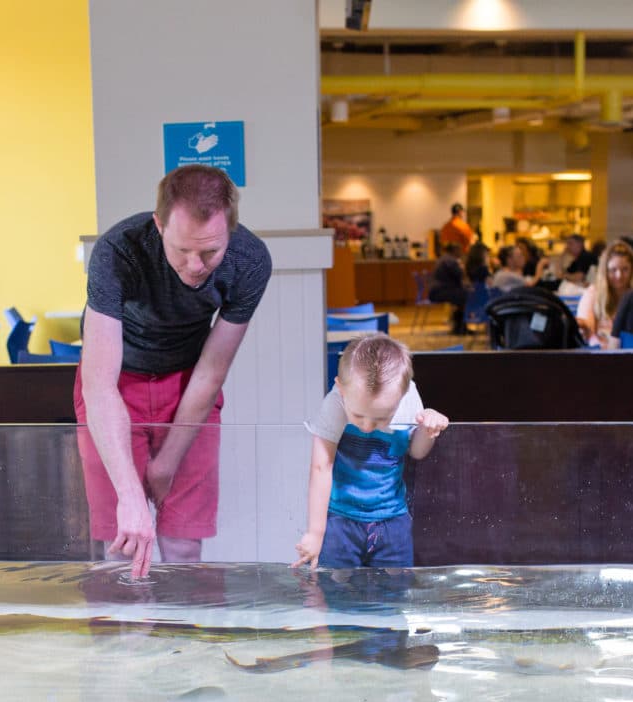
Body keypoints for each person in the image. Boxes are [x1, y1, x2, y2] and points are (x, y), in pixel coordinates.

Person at [75, 165, 272, 579]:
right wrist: (131, 495)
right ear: (159, 224)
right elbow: (98, 384)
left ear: (230, 233)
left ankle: (185, 641)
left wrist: (166, 464)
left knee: (183, 541)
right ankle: (126, 639)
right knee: (123, 544)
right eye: (182, 250)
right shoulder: (117, 251)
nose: (196, 265)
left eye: (210, 252)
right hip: (117, 384)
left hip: (188, 383)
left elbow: (211, 371)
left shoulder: (250, 261)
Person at [292, 333, 448, 570]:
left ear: (401, 398)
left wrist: (428, 429)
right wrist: (315, 532)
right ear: (341, 390)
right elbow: (321, 466)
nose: (366, 426)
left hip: (392, 519)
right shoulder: (335, 403)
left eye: (381, 418)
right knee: (335, 596)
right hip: (340, 520)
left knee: (394, 596)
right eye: (358, 416)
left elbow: (416, 452)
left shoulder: (407, 399)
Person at [576, 239, 633, 348]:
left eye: (625, 269)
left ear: (632, 270)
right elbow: (589, 332)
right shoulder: (593, 293)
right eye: (613, 270)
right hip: (601, 355)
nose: (619, 275)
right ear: (605, 271)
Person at [429, 243, 469, 334]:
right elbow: (459, 274)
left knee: (463, 295)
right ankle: (460, 327)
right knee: (465, 296)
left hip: (438, 290)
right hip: (440, 291)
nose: (461, 252)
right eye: (460, 250)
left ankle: (459, 326)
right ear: (454, 251)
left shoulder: (445, 258)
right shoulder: (450, 260)